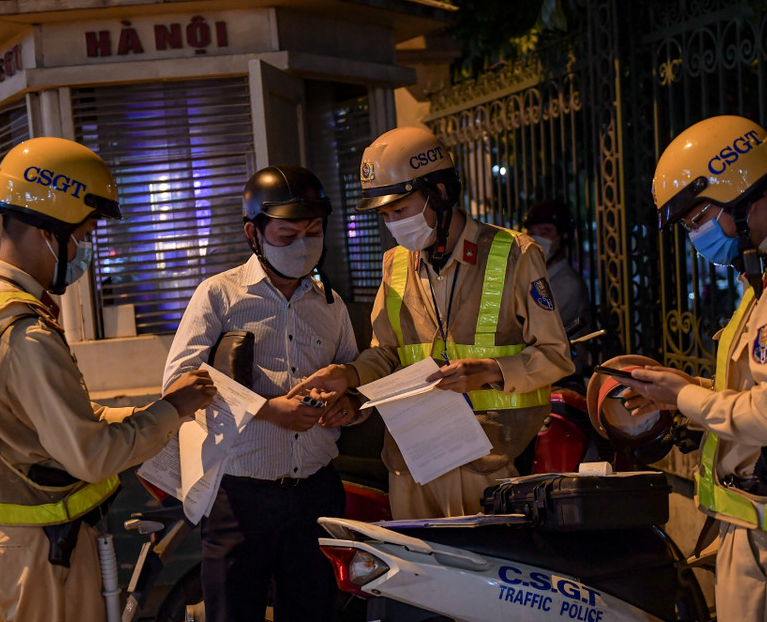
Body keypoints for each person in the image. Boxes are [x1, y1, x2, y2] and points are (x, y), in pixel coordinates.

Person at [0, 137, 217, 622]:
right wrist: (171, 412)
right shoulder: (23, 334)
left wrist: (150, 411)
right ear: (48, 228)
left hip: (17, 537)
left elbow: (48, 421)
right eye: (81, 234)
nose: (83, 249)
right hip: (45, 550)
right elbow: (93, 455)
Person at [618, 115, 767, 621]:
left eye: (695, 219)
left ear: (736, 195)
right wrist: (682, 389)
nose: (695, 235)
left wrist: (685, 398)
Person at [291, 127, 575, 519]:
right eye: (386, 215)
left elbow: (556, 356)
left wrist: (490, 370)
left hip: (488, 459)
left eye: (401, 210)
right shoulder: (394, 264)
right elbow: (387, 355)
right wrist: (351, 377)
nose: (393, 223)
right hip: (411, 461)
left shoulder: (515, 254)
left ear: (439, 193)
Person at [162, 165, 359, 622]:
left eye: (313, 231)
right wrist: (268, 410)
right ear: (254, 233)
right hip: (241, 498)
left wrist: (349, 406)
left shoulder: (331, 304)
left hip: (317, 495)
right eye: (287, 234)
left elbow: (353, 377)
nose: (304, 244)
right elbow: (178, 381)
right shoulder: (219, 295)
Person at [523, 199, 593, 335]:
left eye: (545, 232)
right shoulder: (534, 277)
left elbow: (537, 331)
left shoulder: (567, 283)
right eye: (532, 233)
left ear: (564, 236)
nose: (536, 240)